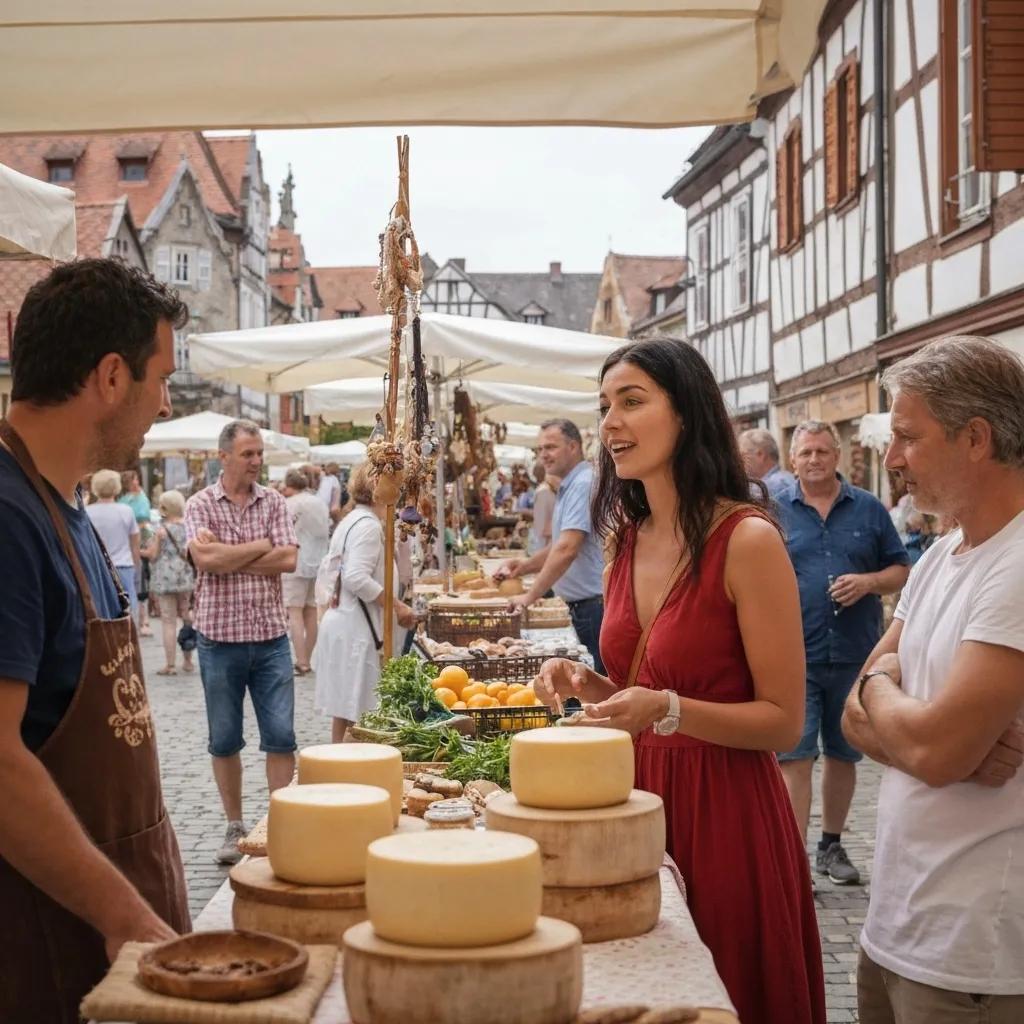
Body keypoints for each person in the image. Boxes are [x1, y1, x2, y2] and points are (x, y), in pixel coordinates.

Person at [534, 337, 824, 1024]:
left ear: (687, 414)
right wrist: (591, 684)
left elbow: (783, 720)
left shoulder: (747, 540)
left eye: (632, 402)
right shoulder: (624, 538)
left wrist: (665, 708)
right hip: (633, 806)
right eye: (604, 406)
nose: (610, 424)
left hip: (725, 814)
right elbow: (642, 684)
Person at [0, 258, 190, 1021]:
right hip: (48, 940)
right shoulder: (9, 520)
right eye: (161, 379)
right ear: (112, 377)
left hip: (114, 928)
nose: (166, 405)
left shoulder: (65, 506)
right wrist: (123, 915)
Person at [842, 336, 1024, 1023]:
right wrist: (912, 727)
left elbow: (933, 749)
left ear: (975, 439)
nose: (891, 461)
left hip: (973, 951)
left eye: (907, 438)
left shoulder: (1017, 563)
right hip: (899, 925)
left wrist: (883, 691)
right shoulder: (944, 554)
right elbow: (853, 723)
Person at [775, 420, 909, 885]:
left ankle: (831, 846)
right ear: (793, 459)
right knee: (794, 756)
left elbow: (900, 570)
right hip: (793, 653)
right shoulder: (773, 511)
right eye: (806, 452)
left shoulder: (868, 510)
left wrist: (869, 582)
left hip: (855, 652)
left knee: (844, 753)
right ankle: (794, 862)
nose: (814, 459)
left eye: (822, 452)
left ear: (837, 455)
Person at [185, 420, 299, 865]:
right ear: (224, 457)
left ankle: (279, 823)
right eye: (248, 454)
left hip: (271, 637)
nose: (256, 461)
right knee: (225, 738)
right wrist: (260, 547)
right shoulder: (199, 504)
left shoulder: (273, 500)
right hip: (218, 638)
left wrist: (231, 557)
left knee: (281, 737)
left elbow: (288, 559)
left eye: (258, 453)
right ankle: (235, 826)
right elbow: (206, 560)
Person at [312, 463, 418, 741]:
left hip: (348, 626)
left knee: (346, 711)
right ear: (377, 487)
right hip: (356, 631)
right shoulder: (368, 526)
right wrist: (397, 606)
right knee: (359, 714)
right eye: (394, 484)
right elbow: (356, 577)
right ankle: (351, 775)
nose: (398, 491)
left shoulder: (353, 520)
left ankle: (342, 769)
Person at [498, 420, 606, 672]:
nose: (543, 455)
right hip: (585, 606)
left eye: (550, 447)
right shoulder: (570, 484)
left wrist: (529, 596)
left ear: (573, 446)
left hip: (593, 607)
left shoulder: (582, 483)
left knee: (598, 690)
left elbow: (567, 548)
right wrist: (524, 567)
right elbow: (560, 542)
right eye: (540, 449)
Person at [282, 467, 330, 675]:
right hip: (318, 561)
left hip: (295, 562)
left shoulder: (289, 505)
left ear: (288, 485)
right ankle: (307, 659)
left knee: (294, 611)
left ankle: (301, 661)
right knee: (311, 611)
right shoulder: (318, 502)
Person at [142, 489, 196, 676]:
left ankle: (170, 665)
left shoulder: (161, 531)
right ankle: (188, 661)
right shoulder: (190, 527)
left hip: (165, 579)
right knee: (186, 616)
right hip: (185, 576)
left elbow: (154, 555)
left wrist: (146, 550)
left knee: (168, 621)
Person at [86, 469, 141, 612]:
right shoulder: (126, 511)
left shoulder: (87, 512)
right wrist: (136, 566)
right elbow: (134, 543)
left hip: (97, 567)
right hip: (124, 565)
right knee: (128, 610)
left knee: (100, 610)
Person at [119, 468, 154, 635]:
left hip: (142, 538)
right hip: (126, 539)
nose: (136, 482)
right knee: (134, 580)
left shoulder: (142, 497)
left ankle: (144, 619)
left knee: (142, 578)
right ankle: (135, 618)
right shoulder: (123, 499)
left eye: (137, 479)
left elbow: (145, 518)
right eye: (133, 479)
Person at [738, 427, 795, 499]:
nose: (740, 461)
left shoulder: (773, 485)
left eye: (742, 455)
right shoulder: (785, 479)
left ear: (760, 454)